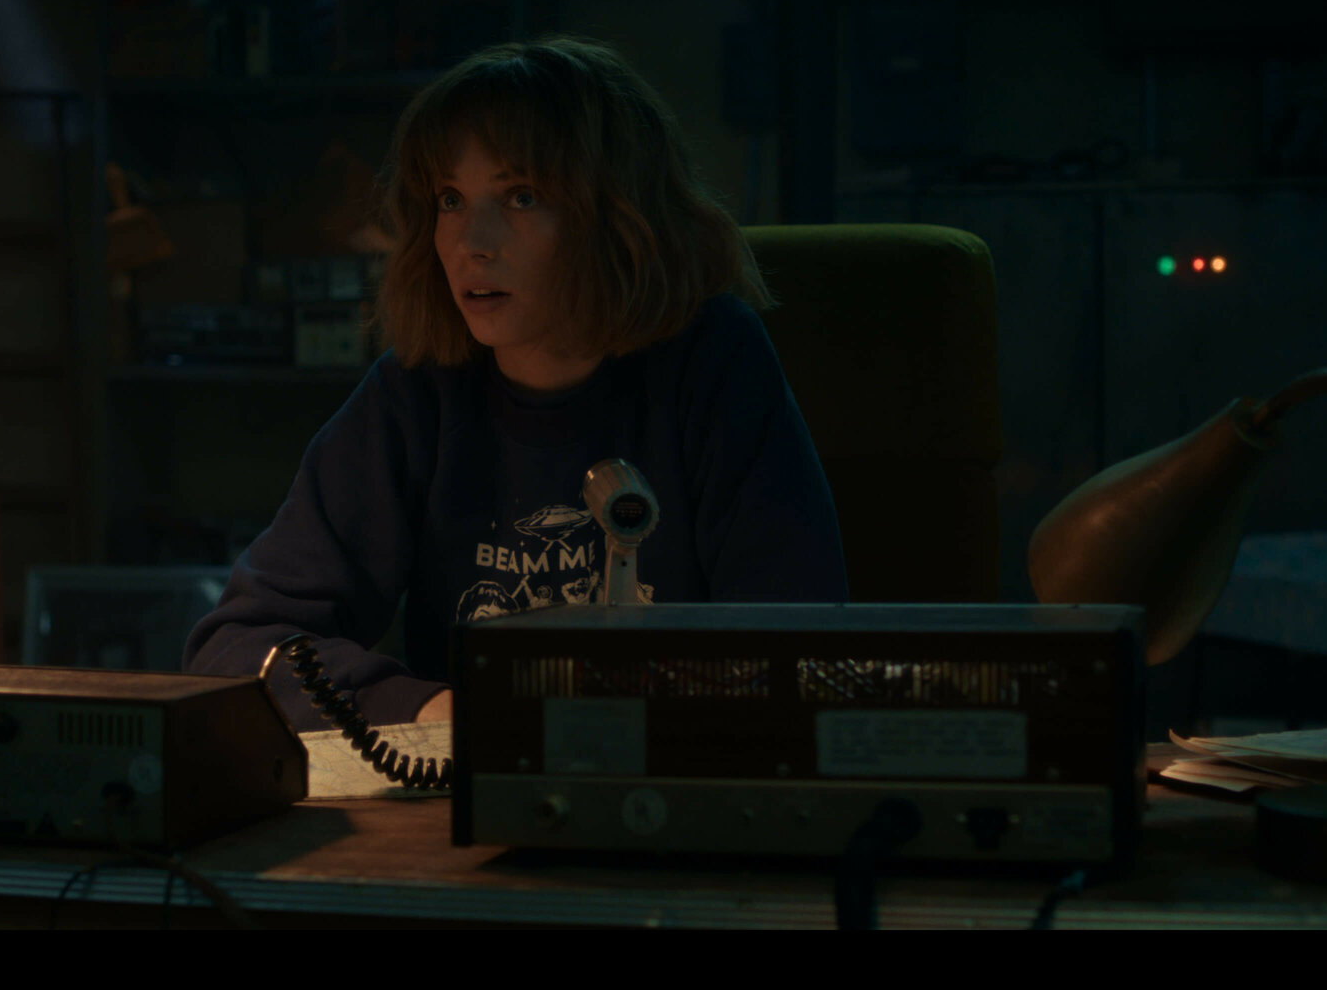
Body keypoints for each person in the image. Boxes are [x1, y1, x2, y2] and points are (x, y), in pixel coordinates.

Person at [184, 36, 846, 733]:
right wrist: (436, 712)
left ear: (616, 214)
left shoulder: (713, 359)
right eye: (450, 200)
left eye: (521, 197)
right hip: (470, 778)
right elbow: (235, 646)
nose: (472, 242)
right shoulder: (417, 392)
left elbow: (796, 651)